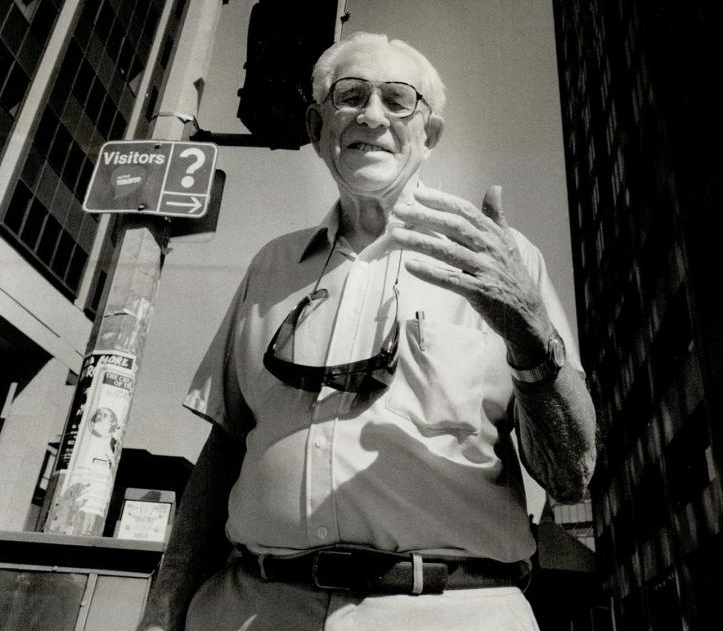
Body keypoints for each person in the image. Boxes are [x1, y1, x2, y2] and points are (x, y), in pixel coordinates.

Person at [138, 32, 597, 631]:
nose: (371, 116)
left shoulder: (501, 260)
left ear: (428, 135)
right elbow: (227, 444)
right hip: (250, 606)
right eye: (349, 96)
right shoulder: (271, 266)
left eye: (398, 100)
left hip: (451, 611)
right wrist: (165, 604)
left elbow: (568, 477)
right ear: (317, 126)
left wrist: (528, 335)